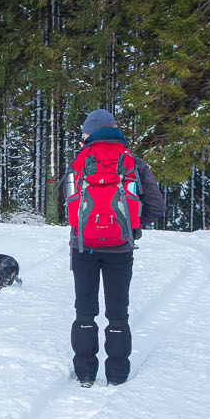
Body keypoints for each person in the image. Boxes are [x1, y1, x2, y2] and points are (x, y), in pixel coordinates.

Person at [66, 109, 167, 386]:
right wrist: (132, 227)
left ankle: (85, 373)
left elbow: (69, 206)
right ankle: (117, 376)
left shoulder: (79, 162)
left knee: (85, 311)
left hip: (83, 247)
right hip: (120, 249)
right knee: (117, 312)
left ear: (91, 132)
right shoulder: (133, 162)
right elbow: (158, 207)